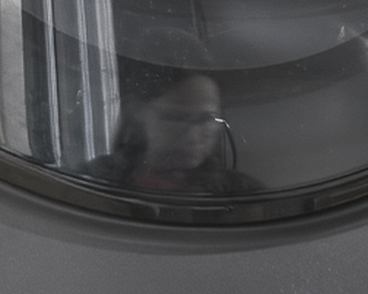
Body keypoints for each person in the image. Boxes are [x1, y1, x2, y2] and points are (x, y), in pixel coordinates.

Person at [89, 70, 263, 198]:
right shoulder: (93, 181)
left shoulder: (246, 195)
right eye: (174, 118)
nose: (192, 137)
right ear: (138, 114)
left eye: (206, 119)